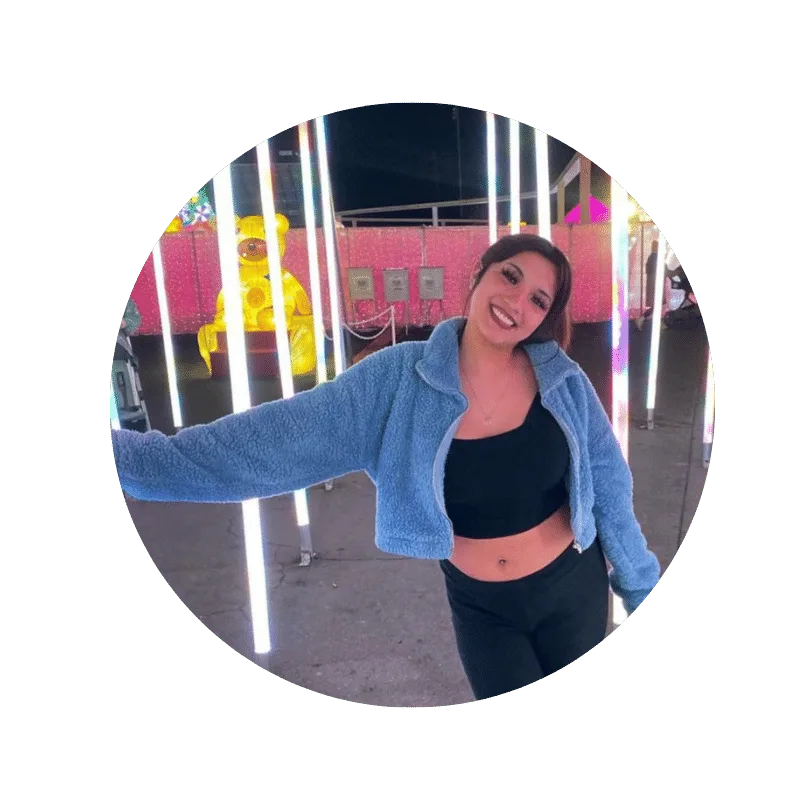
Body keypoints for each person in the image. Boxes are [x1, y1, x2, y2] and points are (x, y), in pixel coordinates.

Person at [111, 234, 660, 702]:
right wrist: (130, 460)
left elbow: (610, 485)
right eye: (510, 277)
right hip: (483, 609)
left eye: (538, 299)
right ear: (480, 273)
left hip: (573, 588)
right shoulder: (397, 381)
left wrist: (639, 586)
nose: (517, 302)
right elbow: (270, 442)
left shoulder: (562, 382)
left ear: (545, 317)